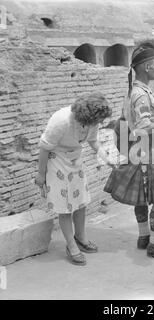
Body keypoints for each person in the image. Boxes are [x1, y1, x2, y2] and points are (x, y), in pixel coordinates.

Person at [104, 45, 154, 262]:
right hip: (149, 154)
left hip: (138, 154)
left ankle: (144, 236)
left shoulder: (133, 92)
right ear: (147, 67)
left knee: (143, 199)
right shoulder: (141, 95)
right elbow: (142, 128)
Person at [35, 92, 115, 266]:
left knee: (80, 202)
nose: (101, 123)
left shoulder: (92, 122)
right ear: (89, 116)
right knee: (64, 207)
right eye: (99, 120)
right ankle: (71, 245)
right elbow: (44, 147)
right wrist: (41, 174)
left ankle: (81, 237)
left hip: (74, 160)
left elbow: (94, 142)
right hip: (56, 161)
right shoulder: (61, 120)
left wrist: (106, 158)